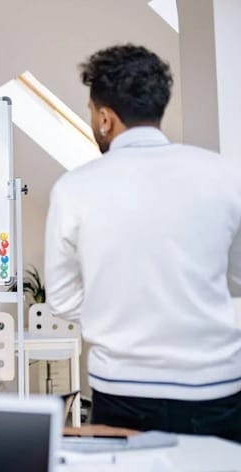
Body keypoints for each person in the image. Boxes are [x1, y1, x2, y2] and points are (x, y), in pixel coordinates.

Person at [44, 44, 241, 441]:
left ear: (105, 117)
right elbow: (235, 278)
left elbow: (62, 298)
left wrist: (121, 316)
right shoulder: (223, 174)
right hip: (216, 387)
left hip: (122, 389)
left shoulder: (75, 188)